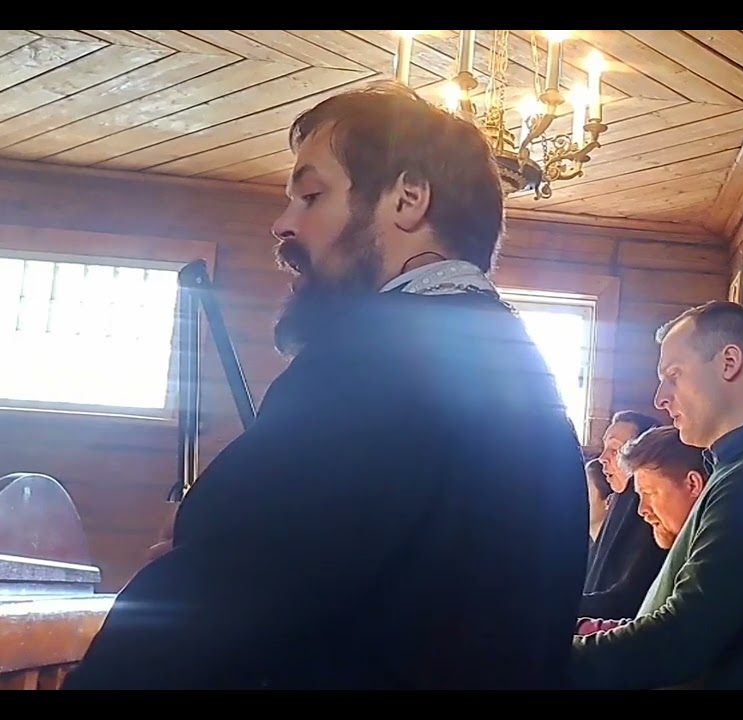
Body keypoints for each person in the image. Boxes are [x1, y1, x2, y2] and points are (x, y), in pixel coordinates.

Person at [62, 80, 588, 690]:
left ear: (408, 199)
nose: (283, 224)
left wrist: (196, 547)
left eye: (311, 195)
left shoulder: (372, 361)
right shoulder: (522, 367)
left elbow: (200, 615)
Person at [570, 300, 743, 690]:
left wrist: (535, 657)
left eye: (673, 375)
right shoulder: (741, 470)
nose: (660, 398)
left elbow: (679, 641)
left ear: (729, 363)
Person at [576, 424, 706, 636]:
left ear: (692, 484)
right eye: (639, 495)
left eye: (650, 493)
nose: (642, 510)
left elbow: (667, 634)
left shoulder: (709, 554)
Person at [580, 411, 667, 619]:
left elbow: (627, 600)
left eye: (614, 450)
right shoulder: (621, 499)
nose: (602, 458)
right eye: (604, 448)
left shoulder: (651, 514)